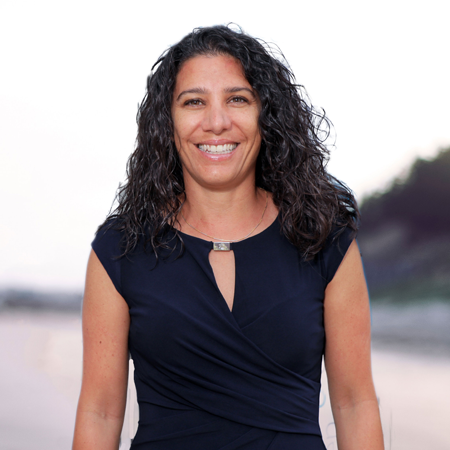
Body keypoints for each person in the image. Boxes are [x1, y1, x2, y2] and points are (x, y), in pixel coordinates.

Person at [73, 25, 384, 450]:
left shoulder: (324, 240)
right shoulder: (121, 249)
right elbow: (100, 412)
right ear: (168, 120)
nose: (216, 122)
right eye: (194, 102)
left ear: (266, 115)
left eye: (237, 99)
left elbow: (354, 403)